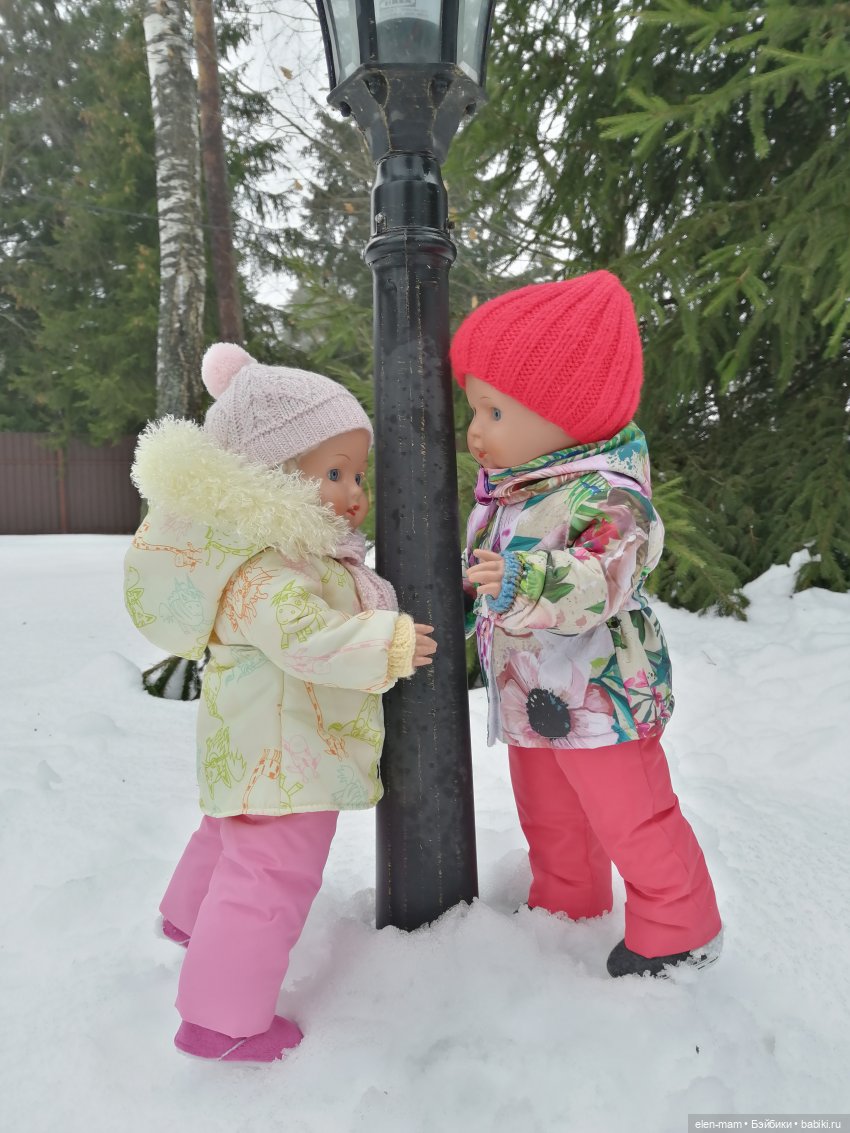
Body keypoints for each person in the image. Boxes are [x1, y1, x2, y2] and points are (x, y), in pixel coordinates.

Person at [124, 343, 436, 1061]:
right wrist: (384, 643)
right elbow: (304, 637)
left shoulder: (266, 551)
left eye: (358, 472)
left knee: (227, 834)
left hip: (257, 742)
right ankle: (222, 1020)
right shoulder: (267, 568)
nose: (355, 490)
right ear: (270, 475)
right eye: (333, 473)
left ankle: (186, 920)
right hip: (286, 751)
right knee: (270, 872)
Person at [453, 272, 722, 978]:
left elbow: (601, 578)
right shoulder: (518, 493)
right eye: (472, 409)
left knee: (629, 815)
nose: (475, 432)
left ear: (566, 412)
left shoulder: (608, 495)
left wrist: (518, 580)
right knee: (550, 816)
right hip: (531, 695)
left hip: (604, 698)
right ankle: (564, 906)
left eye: (494, 411)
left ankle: (679, 926)